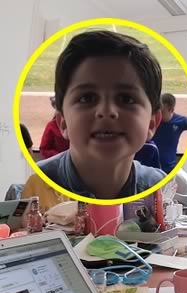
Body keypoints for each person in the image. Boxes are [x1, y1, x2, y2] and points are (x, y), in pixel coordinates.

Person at [37, 30, 166, 199]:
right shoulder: (31, 188)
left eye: (126, 99)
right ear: (63, 122)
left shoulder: (162, 189)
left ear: (152, 123)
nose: (106, 111)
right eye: (87, 98)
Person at [149, 93, 187, 174]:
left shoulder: (181, 121)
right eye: (158, 110)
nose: (158, 114)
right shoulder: (153, 119)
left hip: (169, 170)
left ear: (171, 110)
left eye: (162, 111)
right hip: (150, 168)